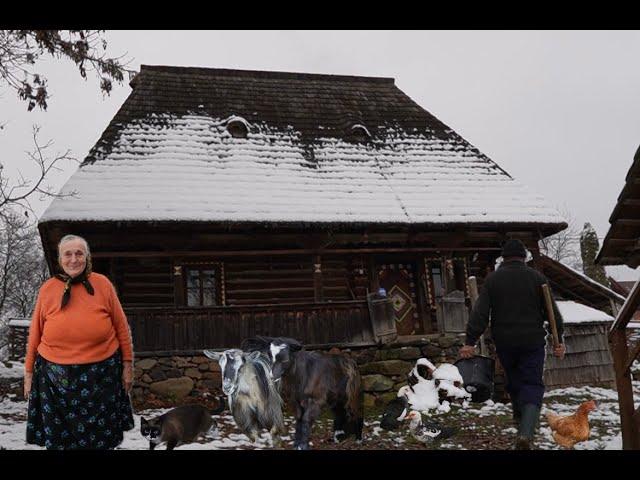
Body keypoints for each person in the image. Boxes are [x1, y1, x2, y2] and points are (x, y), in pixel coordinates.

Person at [23, 234, 135, 449]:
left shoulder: (102, 284)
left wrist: (127, 365)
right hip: (55, 379)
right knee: (59, 441)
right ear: (60, 258)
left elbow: (121, 327)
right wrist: (28, 373)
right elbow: (35, 333)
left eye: (79, 253)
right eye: (68, 254)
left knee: (100, 440)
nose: (73, 259)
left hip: (101, 376)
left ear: (87, 257)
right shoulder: (47, 288)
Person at [458, 239, 566, 450]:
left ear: (504, 258)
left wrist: (470, 341)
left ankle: (521, 425)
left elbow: (480, 313)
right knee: (532, 383)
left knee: (515, 382)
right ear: (524, 257)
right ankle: (526, 432)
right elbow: (553, 315)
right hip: (533, 342)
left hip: (505, 342)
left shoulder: (493, 280)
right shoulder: (537, 278)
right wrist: (558, 340)